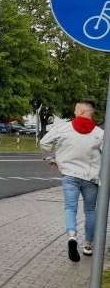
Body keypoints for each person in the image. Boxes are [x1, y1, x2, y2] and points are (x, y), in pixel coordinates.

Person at [40, 99, 104, 262]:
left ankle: (72, 236)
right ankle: (88, 245)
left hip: (69, 175)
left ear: (81, 111)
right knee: (90, 210)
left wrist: (50, 158)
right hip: (91, 178)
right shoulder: (100, 133)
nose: (74, 112)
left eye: (76, 110)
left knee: (70, 208)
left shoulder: (63, 128)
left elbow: (44, 142)